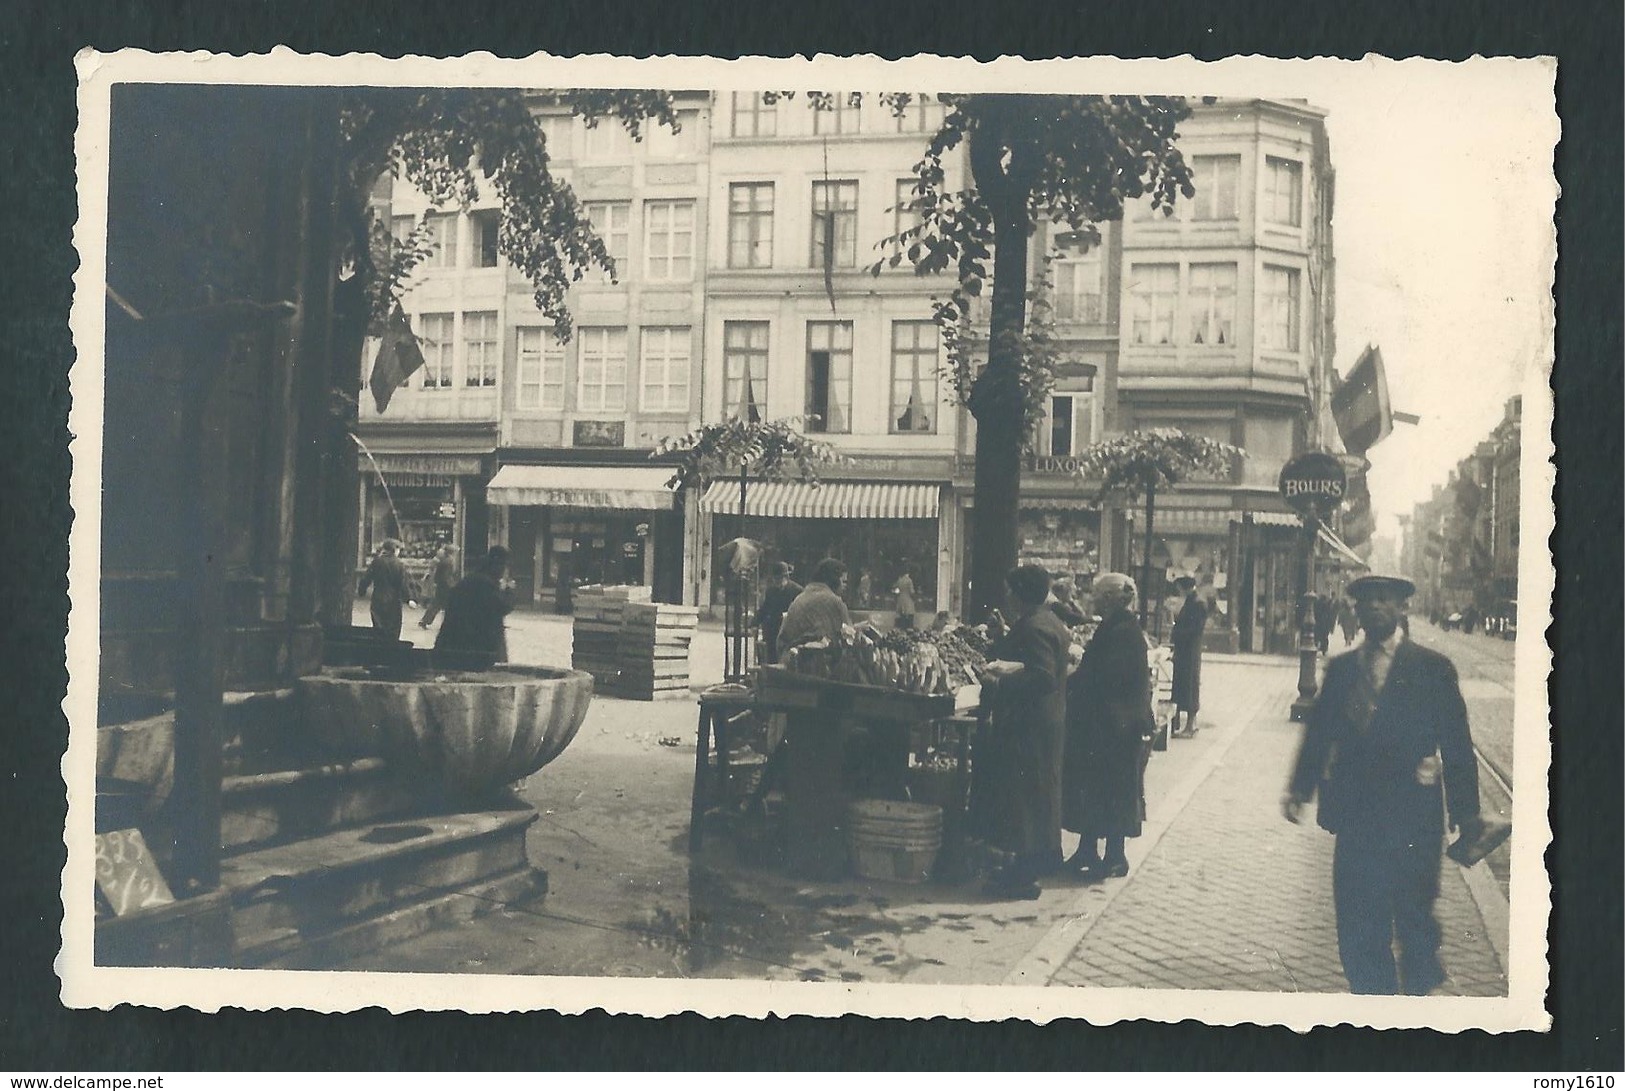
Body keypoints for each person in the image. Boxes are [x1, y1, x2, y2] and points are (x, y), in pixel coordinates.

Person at [1283, 573, 1487, 996]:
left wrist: (1468, 814)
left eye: (1384, 600)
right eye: (1366, 601)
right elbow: (1319, 735)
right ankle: (1373, 1005)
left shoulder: (1432, 669)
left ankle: (1413, 1008)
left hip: (1415, 818)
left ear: (1401, 608)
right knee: (1358, 920)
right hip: (1357, 818)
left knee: (1415, 919)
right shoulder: (1341, 672)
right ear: (1355, 611)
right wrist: (1299, 790)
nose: (1374, 607)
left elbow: (1457, 743)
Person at [974, 565, 1070, 900]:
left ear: (1018, 593)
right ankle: (1025, 867)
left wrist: (999, 680)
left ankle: (1025, 876)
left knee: (1025, 797)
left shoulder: (1035, 627)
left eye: (1009, 590)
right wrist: (1004, 636)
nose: (1007, 596)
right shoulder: (1044, 620)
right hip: (1044, 722)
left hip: (1030, 725)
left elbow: (1042, 675)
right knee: (1035, 794)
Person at [1063, 572, 1155, 881]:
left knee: (1113, 790)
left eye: (1096, 594)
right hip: (1111, 724)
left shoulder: (1122, 631)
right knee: (1098, 788)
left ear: (1109, 599)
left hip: (1116, 726)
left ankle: (1116, 856)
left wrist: (1070, 680)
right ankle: (1088, 850)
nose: (1090, 598)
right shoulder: (1118, 627)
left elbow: (1104, 676)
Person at [433, 546, 515, 670]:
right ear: (497, 567)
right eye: (504, 567)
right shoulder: (486, 585)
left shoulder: (469, 580)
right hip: (478, 648)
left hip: (456, 644)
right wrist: (509, 590)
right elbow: (503, 607)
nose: (505, 572)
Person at [776, 558, 851, 659]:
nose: (845, 586)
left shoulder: (800, 597)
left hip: (788, 659)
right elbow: (848, 638)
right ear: (833, 580)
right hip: (817, 665)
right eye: (843, 581)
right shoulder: (834, 602)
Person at [1169, 575, 1206, 738]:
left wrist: (1178, 633)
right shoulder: (1193, 601)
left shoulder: (1197, 603)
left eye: (1179, 588)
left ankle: (1190, 725)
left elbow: (1195, 628)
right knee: (1184, 684)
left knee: (1190, 684)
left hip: (1189, 650)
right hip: (1185, 649)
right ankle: (1187, 724)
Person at [357, 538, 410, 642]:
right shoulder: (400, 564)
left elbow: (367, 577)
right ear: (395, 549)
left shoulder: (376, 562)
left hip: (378, 598)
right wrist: (408, 598)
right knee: (393, 628)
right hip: (394, 600)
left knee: (378, 627)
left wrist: (361, 590)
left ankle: (379, 649)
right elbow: (403, 583)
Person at [753, 561, 803, 665]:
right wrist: (754, 622)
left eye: (780, 579)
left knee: (786, 660)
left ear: (786, 577)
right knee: (771, 659)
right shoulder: (771, 591)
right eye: (775, 579)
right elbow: (765, 609)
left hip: (789, 631)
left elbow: (800, 612)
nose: (777, 582)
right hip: (773, 631)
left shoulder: (797, 591)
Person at [419, 543, 461, 628]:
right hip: (446, 586)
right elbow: (447, 575)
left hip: (441, 585)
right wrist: (451, 585)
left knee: (436, 604)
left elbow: (439, 573)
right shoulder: (449, 561)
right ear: (452, 552)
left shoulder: (444, 559)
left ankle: (425, 620)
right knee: (448, 604)